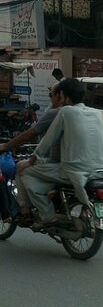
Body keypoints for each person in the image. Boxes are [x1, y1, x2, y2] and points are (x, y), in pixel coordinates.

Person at [23, 78, 103, 229]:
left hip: (72, 171)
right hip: (101, 170)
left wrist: (31, 161)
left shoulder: (65, 112)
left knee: (27, 173)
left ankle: (47, 216)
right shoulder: (97, 113)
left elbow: (47, 141)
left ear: (64, 96)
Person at [0, 84, 64, 224]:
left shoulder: (58, 113)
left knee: (22, 168)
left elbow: (35, 137)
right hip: (89, 167)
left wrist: (7, 146)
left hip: (57, 164)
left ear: (61, 96)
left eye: (51, 95)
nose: (50, 98)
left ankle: (25, 210)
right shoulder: (91, 114)